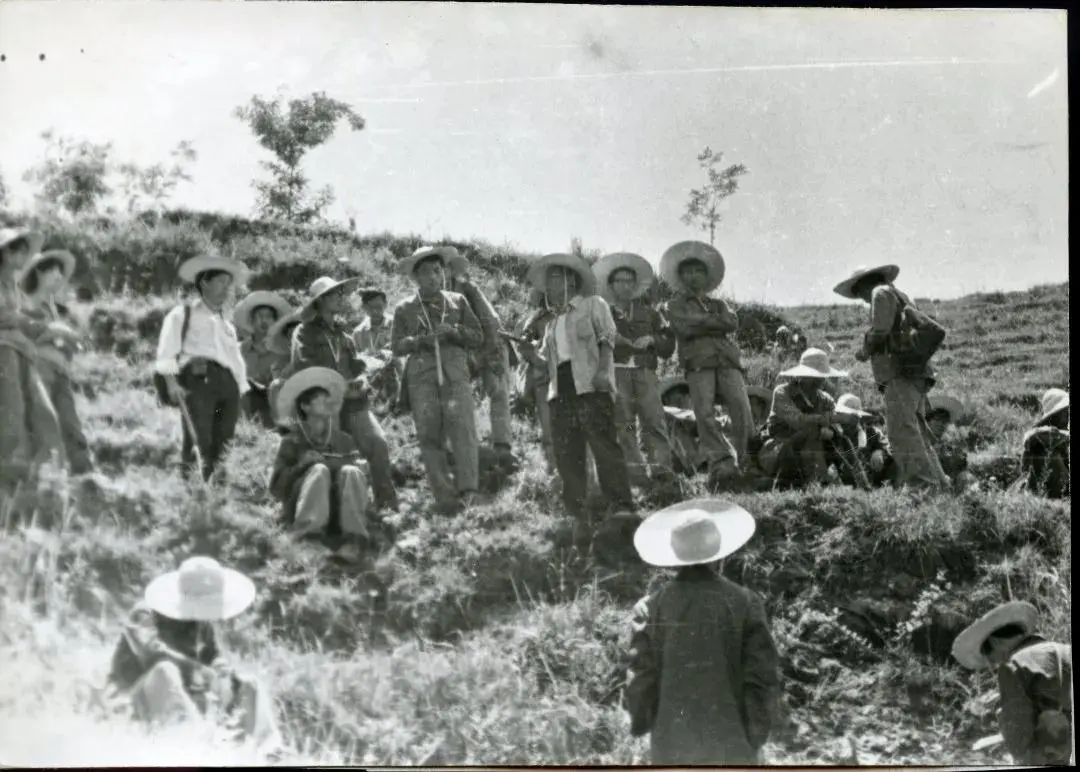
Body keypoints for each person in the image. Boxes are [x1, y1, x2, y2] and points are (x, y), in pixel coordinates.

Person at [624, 499, 780, 765]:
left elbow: (640, 682)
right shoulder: (745, 603)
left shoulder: (649, 609)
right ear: (718, 552)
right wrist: (756, 738)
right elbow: (762, 679)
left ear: (674, 555)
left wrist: (641, 723)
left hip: (672, 750)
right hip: (732, 750)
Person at [106, 556, 284, 757]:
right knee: (165, 670)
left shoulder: (201, 622)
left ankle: (265, 752)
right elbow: (153, 652)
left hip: (187, 700)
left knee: (248, 684)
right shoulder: (146, 614)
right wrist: (200, 671)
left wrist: (220, 668)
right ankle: (196, 747)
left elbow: (213, 656)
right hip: (132, 701)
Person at [515, 252, 637, 527]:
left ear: (569, 279)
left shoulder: (593, 304)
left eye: (553, 277)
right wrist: (529, 354)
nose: (547, 285)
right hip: (560, 389)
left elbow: (607, 338)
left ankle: (622, 509)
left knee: (604, 445)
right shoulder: (552, 323)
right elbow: (546, 363)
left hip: (591, 383)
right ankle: (578, 515)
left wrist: (604, 372)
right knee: (567, 452)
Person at [834, 264, 950, 491]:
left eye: (858, 293)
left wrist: (865, 349)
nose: (862, 299)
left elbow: (881, 330)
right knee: (917, 433)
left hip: (898, 373)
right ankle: (940, 485)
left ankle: (921, 487)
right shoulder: (900, 295)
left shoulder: (880, 293)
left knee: (901, 432)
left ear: (863, 286)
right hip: (914, 373)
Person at [291, 276, 399, 514]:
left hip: (353, 403)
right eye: (334, 294)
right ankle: (340, 513)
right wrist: (338, 385)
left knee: (378, 443)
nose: (340, 298)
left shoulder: (344, 334)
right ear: (320, 301)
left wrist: (362, 378)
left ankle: (386, 505)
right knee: (337, 455)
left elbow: (356, 366)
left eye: (341, 293)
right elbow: (305, 370)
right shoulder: (304, 333)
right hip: (324, 406)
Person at [391, 246, 484, 515]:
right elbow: (396, 346)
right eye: (426, 273)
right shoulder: (404, 308)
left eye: (437, 271)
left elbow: (477, 336)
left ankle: (469, 491)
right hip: (422, 378)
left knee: (463, 429)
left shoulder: (458, 301)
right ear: (416, 278)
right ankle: (443, 495)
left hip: (455, 375)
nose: (434, 277)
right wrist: (421, 340)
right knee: (429, 434)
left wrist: (454, 331)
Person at [661, 241, 753, 490]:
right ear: (681, 277)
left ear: (706, 275)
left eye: (698, 271)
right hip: (698, 362)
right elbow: (683, 327)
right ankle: (721, 464)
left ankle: (746, 460)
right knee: (705, 413)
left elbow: (732, 323)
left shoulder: (719, 304)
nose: (693, 276)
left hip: (727, 360)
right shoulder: (674, 305)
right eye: (688, 272)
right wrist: (714, 323)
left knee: (741, 406)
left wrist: (702, 321)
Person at [153, 255, 249, 482]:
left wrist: (240, 392)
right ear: (204, 283)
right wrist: (172, 384)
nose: (227, 288)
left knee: (224, 439)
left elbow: (236, 362)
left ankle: (216, 488)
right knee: (198, 436)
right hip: (199, 380)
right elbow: (167, 351)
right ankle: (193, 486)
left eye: (229, 284)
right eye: (221, 282)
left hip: (228, 387)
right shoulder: (183, 314)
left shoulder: (228, 327)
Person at [593, 251, 678, 493]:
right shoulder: (602, 313)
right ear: (611, 285)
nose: (625, 285)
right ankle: (637, 477)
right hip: (617, 374)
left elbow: (668, 345)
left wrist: (652, 339)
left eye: (629, 281)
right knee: (626, 425)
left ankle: (663, 474)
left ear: (636, 285)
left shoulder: (650, 313)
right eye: (619, 281)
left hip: (645, 374)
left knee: (654, 421)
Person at [268, 367, 373, 561]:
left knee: (351, 471)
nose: (327, 402)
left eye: (328, 398)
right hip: (302, 508)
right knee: (319, 470)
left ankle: (354, 540)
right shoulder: (292, 441)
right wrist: (301, 465)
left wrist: (364, 470)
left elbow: (360, 481)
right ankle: (307, 539)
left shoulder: (344, 439)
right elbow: (276, 489)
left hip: (339, 510)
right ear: (305, 406)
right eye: (320, 398)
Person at [952, 601, 1073, 766]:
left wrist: (1003, 716)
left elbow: (1019, 745)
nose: (994, 666)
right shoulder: (1066, 650)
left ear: (995, 642)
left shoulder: (1014, 665)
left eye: (992, 660)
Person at [19, 248, 95, 474]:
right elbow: (26, 335)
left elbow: (62, 341)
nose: (60, 277)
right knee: (44, 423)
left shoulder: (52, 308)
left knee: (71, 424)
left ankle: (84, 474)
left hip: (60, 370)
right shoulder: (26, 303)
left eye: (61, 272)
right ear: (39, 272)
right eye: (54, 271)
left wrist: (69, 338)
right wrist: (57, 333)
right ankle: (45, 477)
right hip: (38, 369)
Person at [0, 227, 64, 492]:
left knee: (40, 409)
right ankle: (11, 471)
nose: (25, 256)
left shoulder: (12, 285)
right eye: (21, 251)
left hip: (21, 350)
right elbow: (5, 317)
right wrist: (33, 324)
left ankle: (40, 469)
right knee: (12, 407)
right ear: (7, 253)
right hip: (4, 350)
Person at [445, 249, 516, 471]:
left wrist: (489, 355)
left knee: (497, 391)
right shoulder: (429, 300)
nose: (438, 274)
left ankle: (503, 447)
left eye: (443, 268)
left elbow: (491, 321)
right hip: (464, 352)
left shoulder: (467, 289)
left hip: (491, 344)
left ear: (451, 270)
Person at [757, 348, 859, 488]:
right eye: (814, 376)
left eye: (821, 376)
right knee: (810, 432)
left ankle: (857, 484)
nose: (819, 380)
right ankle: (816, 482)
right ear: (801, 376)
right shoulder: (782, 392)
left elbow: (836, 422)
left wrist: (834, 430)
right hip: (780, 449)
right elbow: (798, 420)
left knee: (842, 440)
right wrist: (824, 420)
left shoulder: (825, 399)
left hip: (813, 450)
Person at [234, 291, 293, 429]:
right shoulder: (239, 349)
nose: (264, 321)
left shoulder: (284, 350)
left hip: (273, 408)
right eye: (260, 316)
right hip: (244, 405)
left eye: (269, 316)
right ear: (252, 320)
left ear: (275, 321)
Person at [351, 287, 401, 407]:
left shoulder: (397, 325)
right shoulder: (358, 333)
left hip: (398, 382)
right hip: (372, 389)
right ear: (364, 308)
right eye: (370, 307)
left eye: (379, 307)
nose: (375, 311)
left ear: (386, 304)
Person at [832, 393, 895, 488]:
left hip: (872, 480)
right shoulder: (833, 434)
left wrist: (881, 451)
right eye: (841, 414)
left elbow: (889, 447)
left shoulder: (870, 432)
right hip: (843, 483)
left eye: (854, 415)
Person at [1020, 388, 1070, 499]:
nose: (1068, 416)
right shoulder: (1040, 435)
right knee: (1049, 455)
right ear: (1055, 416)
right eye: (1065, 412)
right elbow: (1032, 436)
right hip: (1043, 492)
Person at [925, 394, 977, 492]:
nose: (941, 424)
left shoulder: (945, 446)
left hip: (943, 487)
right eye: (938, 420)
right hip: (922, 485)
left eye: (945, 421)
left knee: (965, 477)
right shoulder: (919, 442)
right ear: (927, 421)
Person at [265, 311, 303, 431]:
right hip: (295, 398)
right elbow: (279, 384)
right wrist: (294, 362)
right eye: (291, 336)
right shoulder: (280, 362)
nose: (295, 339)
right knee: (276, 386)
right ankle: (285, 426)